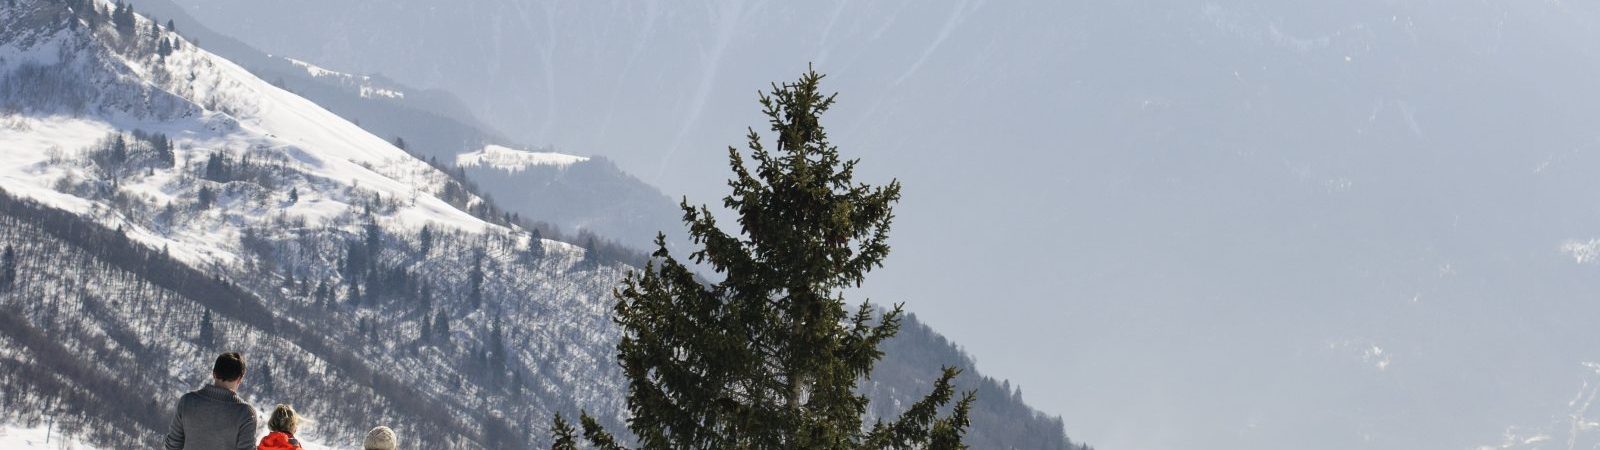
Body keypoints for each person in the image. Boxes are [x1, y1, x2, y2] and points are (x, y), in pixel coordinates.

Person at [163, 352, 260, 450]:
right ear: (240, 379)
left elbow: (172, 445)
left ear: (214, 373)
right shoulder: (245, 414)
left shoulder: (187, 402)